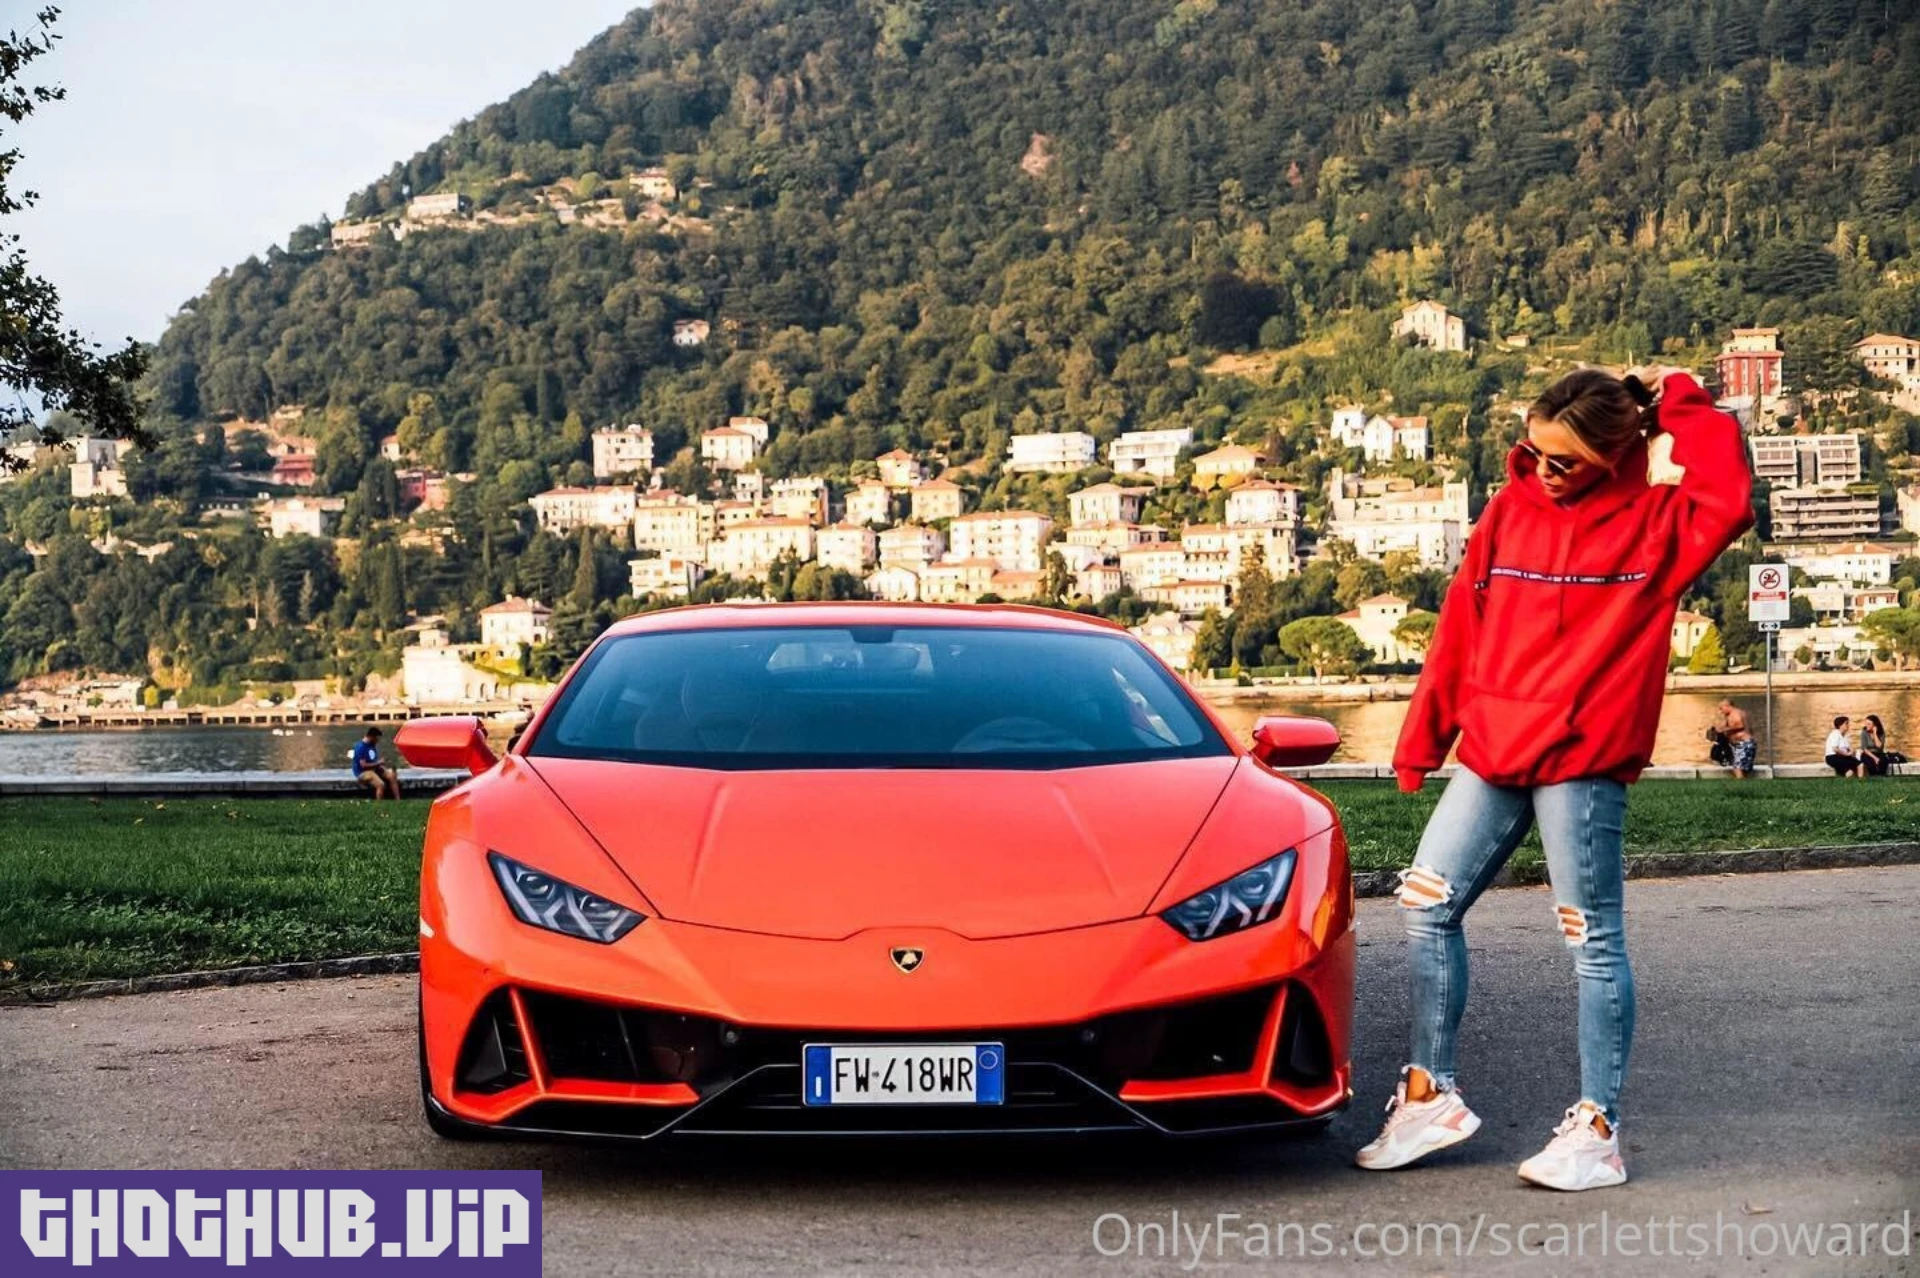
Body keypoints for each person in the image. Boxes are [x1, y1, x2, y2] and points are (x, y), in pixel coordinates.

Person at [1356, 365, 1752, 1192]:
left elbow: (1728, 490)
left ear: (1615, 455)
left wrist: (1679, 399)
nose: (1543, 470)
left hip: (1583, 759)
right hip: (1494, 750)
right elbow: (1461, 629)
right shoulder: (1508, 512)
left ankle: (1597, 1132)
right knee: (1424, 904)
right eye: (1533, 451)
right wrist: (1421, 742)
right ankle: (1430, 1097)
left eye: (1564, 460)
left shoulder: (1661, 525)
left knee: (1591, 941)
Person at [351, 726, 402, 799]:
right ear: (371, 737)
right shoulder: (361, 747)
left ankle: (398, 800)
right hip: (362, 773)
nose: (378, 740)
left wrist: (380, 766)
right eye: (376, 738)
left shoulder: (372, 745)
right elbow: (363, 765)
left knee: (392, 776)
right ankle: (379, 803)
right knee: (381, 785)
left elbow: (373, 760)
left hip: (374, 769)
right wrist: (379, 763)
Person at [1715, 699, 1755, 779]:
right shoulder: (1735, 714)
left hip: (1743, 743)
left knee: (1737, 766)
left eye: (1721, 708)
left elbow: (1739, 725)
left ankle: (1740, 783)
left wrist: (1723, 730)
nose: (1721, 711)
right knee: (1739, 766)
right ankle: (1742, 781)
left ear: (1727, 706)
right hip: (1744, 743)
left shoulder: (1735, 713)